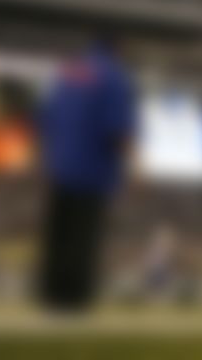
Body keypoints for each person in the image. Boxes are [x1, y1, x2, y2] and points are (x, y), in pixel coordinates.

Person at [35, 39, 138, 313]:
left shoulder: (69, 72)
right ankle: (74, 300)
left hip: (60, 166)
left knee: (58, 235)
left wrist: (50, 157)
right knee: (82, 238)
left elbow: (46, 117)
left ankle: (50, 296)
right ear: (118, 49)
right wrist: (136, 166)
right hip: (92, 171)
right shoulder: (113, 76)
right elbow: (117, 128)